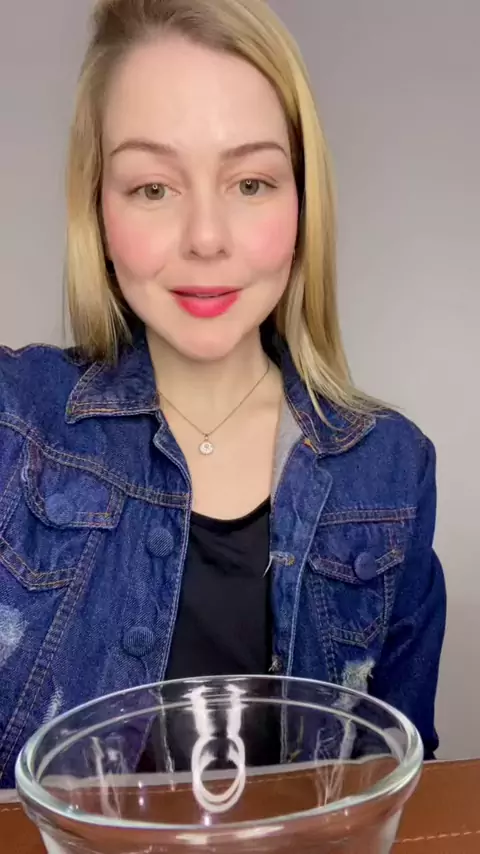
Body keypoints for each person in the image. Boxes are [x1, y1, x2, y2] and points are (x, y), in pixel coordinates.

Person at [0, 0, 446, 788]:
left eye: (250, 182)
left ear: (302, 201)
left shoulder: (391, 472)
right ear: (98, 207)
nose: (206, 237)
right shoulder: (15, 422)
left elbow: (398, 787)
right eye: (152, 188)